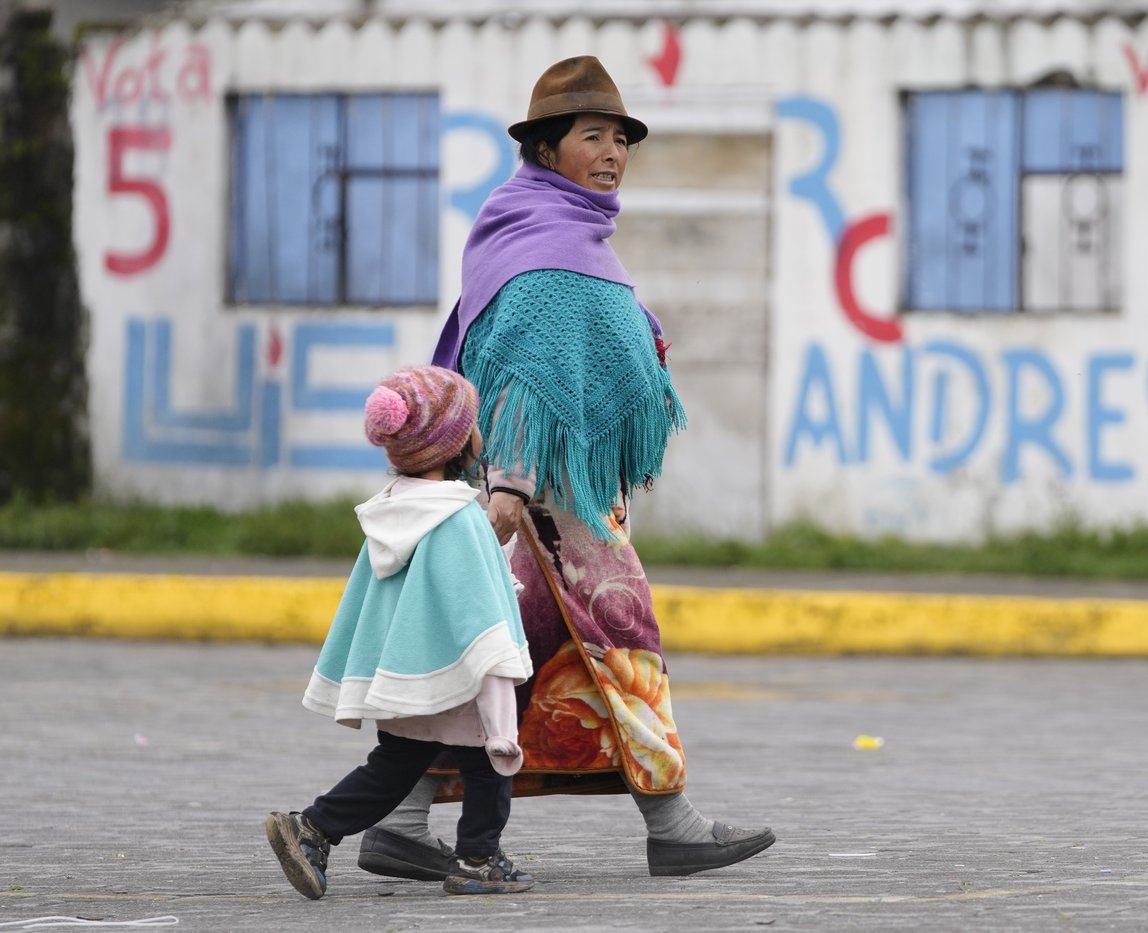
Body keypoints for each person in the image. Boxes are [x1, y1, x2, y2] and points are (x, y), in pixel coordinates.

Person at [357, 55, 776, 881]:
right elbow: (521, 369)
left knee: (502, 659)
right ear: (548, 150)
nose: (614, 152)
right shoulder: (543, 246)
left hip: (556, 494)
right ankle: (674, 822)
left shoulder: (559, 228)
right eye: (593, 136)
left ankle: (399, 820)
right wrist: (511, 480)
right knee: (622, 639)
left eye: (621, 138)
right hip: (546, 500)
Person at [265, 365, 536, 899]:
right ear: (454, 442)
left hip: (405, 670)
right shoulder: (459, 518)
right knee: (488, 763)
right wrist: (499, 685)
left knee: (395, 764)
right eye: (473, 423)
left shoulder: (393, 510)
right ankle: (479, 860)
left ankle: (313, 829)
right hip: (462, 672)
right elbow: (479, 612)